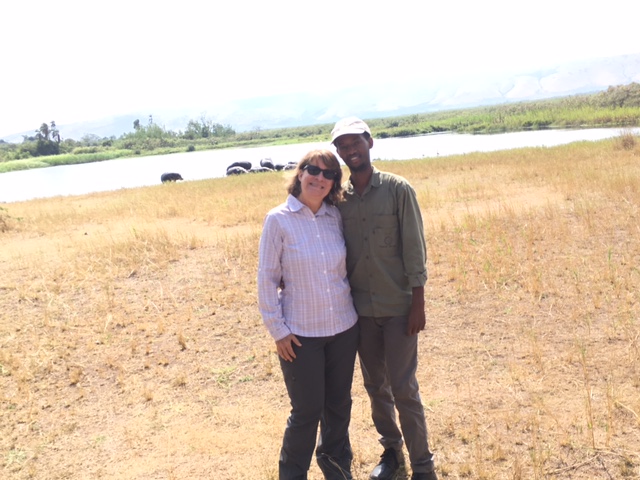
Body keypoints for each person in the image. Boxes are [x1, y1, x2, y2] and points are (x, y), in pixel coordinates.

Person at [331, 117, 438, 480]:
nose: (350, 151)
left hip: (398, 308)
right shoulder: (339, 199)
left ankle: (423, 465)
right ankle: (392, 452)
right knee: (376, 386)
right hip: (360, 313)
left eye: (355, 143)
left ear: (370, 143)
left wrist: (418, 303)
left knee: (404, 388)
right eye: (343, 146)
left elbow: (414, 248)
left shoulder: (397, 189)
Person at [258, 149, 359, 480]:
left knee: (339, 406)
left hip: (343, 328)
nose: (320, 178)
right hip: (300, 336)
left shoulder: (335, 217)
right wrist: (278, 330)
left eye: (329, 174)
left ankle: (336, 468)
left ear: (335, 182)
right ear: (300, 173)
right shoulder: (278, 220)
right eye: (313, 170)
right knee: (306, 411)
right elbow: (267, 279)